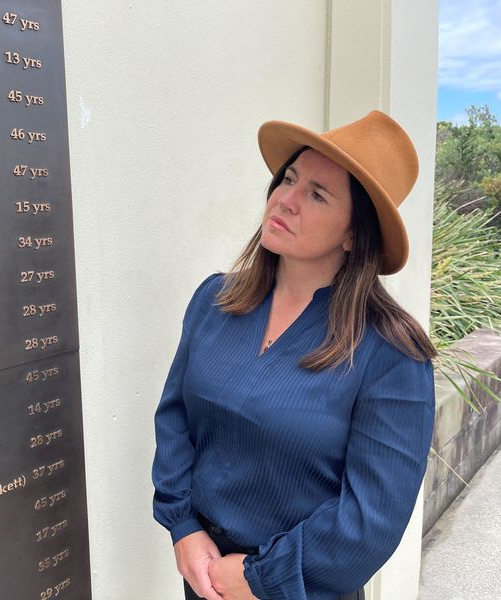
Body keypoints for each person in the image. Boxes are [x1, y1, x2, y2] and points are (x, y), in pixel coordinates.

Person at [152, 111, 436, 600]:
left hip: (300, 590)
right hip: (204, 578)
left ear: (354, 234)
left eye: (317, 194)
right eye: (290, 178)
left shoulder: (391, 354)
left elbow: (370, 521)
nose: (286, 199)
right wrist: (183, 527)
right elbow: (175, 419)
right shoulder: (216, 301)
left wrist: (260, 578)